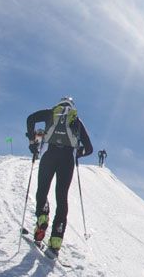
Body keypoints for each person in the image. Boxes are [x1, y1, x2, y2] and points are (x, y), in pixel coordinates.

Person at [25, 96, 93, 256]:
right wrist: (78, 153)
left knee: (42, 190)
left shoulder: (50, 113)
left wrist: (32, 139)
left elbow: (31, 118)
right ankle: (56, 240)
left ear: (59, 104)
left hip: (50, 154)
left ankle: (42, 219)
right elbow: (89, 148)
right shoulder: (76, 120)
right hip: (67, 159)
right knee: (62, 197)